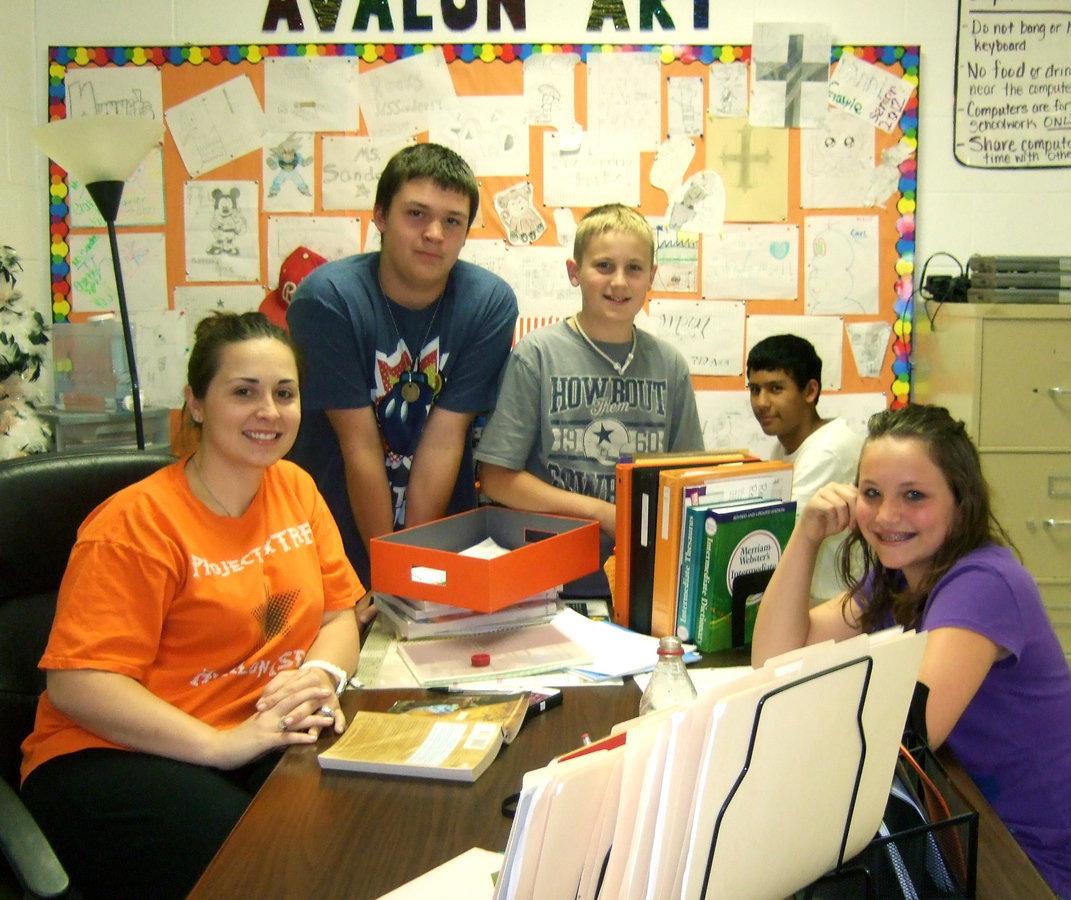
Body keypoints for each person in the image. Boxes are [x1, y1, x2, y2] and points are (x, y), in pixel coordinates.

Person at [20, 312, 365, 900]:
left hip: (254, 732)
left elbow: (340, 615)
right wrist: (221, 745)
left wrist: (319, 675)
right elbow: (76, 684)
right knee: (271, 872)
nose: (270, 411)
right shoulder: (135, 524)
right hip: (112, 754)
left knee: (371, 823)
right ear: (197, 404)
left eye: (285, 393)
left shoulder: (297, 489)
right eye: (243, 392)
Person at [751, 404, 1071, 899]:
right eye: (871, 493)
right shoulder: (901, 575)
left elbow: (910, 733)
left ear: (961, 502)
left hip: (1036, 869)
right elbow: (776, 658)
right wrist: (806, 535)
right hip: (966, 822)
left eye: (914, 495)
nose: (887, 516)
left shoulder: (984, 583)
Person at [287, 143, 518, 589]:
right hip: (330, 537)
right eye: (416, 214)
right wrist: (387, 575)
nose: (435, 233)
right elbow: (358, 445)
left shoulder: (487, 303)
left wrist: (409, 571)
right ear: (380, 217)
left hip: (437, 539)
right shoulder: (327, 299)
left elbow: (446, 438)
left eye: (452, 221)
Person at [475, 203, 703, 591]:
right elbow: (496, 479)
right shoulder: (537, 356)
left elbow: (691, 482)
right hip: (548, 570)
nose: (619, 282)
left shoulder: (670, 366)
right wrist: (603, 513)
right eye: (603, 266)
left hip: (644, 573)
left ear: (651, 276)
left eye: (633, 268)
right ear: (574, 272)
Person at [746, 334, 862, 602]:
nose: (761, 402)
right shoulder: (787, 446)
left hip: (833, 606)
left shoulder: (827, 450)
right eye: (755, 389)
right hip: (806, 601)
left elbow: (779, 536)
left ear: (810, 391)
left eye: (775, 389)